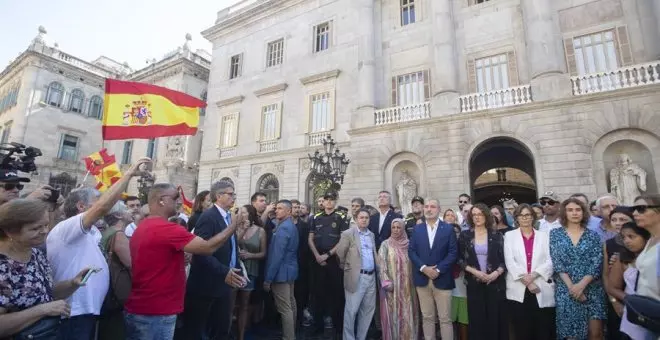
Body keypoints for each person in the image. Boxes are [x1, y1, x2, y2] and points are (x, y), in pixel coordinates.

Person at [126, 182, 246, 340]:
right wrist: (233, 226)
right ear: (161, 200)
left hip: (145, 307)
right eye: (176, 197)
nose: (180, 201)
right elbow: (207, 248)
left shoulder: (143, 226)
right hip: (159, 309)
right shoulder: (169, 229)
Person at [47, 158, 150, 340]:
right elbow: (103, 207)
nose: (103, 203)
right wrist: (128, 175)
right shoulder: (68, 228)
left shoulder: (92, 231)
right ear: (81, 206)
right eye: (97, 199)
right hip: (73, 312)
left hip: (87, 311)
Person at [0, 199, 90, 339]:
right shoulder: (3, 266)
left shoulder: (35, 253)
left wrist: (72, 284)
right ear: (10, 231)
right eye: (35, 228)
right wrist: (42, 310)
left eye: (46, 225)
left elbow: (46, 293)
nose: (45, 231)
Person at [179, 180, 249, 340]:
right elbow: (202, 251)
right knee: (197, 330)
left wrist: (236, 268)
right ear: (219, 196)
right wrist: (224, 271)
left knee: (221, 329)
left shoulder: (228, 217)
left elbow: (231, 246)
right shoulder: (208, 217)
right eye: (230, 194)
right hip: (206, 285)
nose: (234, 197)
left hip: (224, 282)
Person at [549, 198, 605, 340]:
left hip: (592, 288)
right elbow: (557, 262)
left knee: (596, 334)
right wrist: (573, 288)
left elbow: (596, 262)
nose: (574, 213)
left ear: (583, 212)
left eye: (578, 210)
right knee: (571, 335)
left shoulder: (593, 235)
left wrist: (582, 285)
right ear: (564, 213)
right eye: (570, 210)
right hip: (566, 289)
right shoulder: (554, 234)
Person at [504, 203, 555, 340]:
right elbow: (510, 261)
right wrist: (527, 282)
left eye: (528, 215)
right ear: (516, 218)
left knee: (542, 329)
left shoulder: (544, 236)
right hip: (518, 288)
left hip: (540, 286)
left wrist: (533, 275)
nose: (525, 218)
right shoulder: (509, 236)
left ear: (533, 217)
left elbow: (550, 260)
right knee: (522, 330)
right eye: (521, 215)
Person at [409, 198, 457, 340]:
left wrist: (438, 270)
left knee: (445, 318)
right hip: (422, 278)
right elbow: (411, 251)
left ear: (439, 210)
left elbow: (453, 252)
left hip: (442, 279)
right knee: (427, 317)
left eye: (433, 207)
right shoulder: (417, 229)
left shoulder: (448, 228)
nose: (429, 209)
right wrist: (424, 268)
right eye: (427, 207)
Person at [458, 203, 508, 340]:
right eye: (474, 215)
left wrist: (495, 273)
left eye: (480, 214)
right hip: (474, 284)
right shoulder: (465, 235)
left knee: (495, 320)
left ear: (486, 216)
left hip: (495, 284)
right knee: (477, 320)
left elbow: (505, 260)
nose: (477, 217)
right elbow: (460, 260)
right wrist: (475, 272)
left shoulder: (496, 235)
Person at [308, 192, 348, 336]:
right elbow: (310, 238)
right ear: (323, 202)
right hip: (317, 259)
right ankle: (317, 326)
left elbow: (343, 240)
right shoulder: (315, 217)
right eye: (327, 199)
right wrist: (318, 256)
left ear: (335, 201)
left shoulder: (342, 217)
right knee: (318, 293)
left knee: (336, 294)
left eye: (332, 200)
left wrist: (328, 255)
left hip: (334, 260)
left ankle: (338, 328)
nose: (329, 202)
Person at [336, 208, 378, 340]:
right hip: (356, 277)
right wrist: (347, 267)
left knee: (367, 311)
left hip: (371, 277)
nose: (364, 220)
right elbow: (340, 253)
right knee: (351, 311)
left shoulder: (371, 235)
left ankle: (361, 337)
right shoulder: (348, 234)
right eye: (362, 217)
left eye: (366, 217)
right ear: (356, 219)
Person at [607, 222, 651, 340]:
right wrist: (629, 300)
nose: (627, 241)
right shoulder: (622, 258)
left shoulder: (654, 256)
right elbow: (611, 287)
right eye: (624, 237)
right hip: (633, 313)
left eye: (632, 237)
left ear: (646, 237)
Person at [377, 216, 419, 340]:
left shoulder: (410, 244)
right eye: (393, 227)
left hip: (408, 287)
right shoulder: (385, 244)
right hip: (392, 288)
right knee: (393, 314)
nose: (396, 230)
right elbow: (381, 265)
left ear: (403, 228)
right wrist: (386, 282)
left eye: (399, 227)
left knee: (408, 313)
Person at [263, 200, 299, 340]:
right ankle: (291, 334)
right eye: (276, 208)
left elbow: (276, 256)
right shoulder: (289, 226)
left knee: (285, 308)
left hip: (281, 273)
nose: (276, 210)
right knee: (291, 304)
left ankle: (288, 336)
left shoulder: (284, 228)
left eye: (280, 208)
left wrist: (268, 279)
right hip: (290, 270)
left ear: (289, 211)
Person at [98, 201, 134, 340]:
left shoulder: (108, 231)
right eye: (126, 209)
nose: (130, 211)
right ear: (119, 215)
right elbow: (131, 264)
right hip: (117, 293)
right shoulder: (118, 234)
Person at [630, 194, 660, 339]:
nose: (635, 213)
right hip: (648, 314)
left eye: (641, 209)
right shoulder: (651, 239)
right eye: (634, 209)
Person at [236, 204, 266, 340]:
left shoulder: (260, 231)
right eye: (239, 213)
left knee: (244, 305)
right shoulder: (234, 228)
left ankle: (241, 335)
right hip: (235, 270)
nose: (241, 215)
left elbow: (263, 253)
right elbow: (234, 242)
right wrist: (243, 229)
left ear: (250, 214)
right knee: (230, 304)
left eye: (244, 212)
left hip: (250, 271)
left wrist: (249, 255)